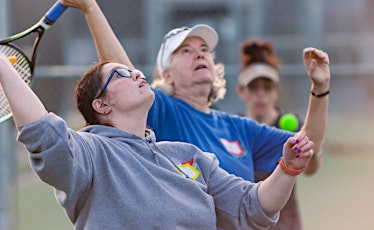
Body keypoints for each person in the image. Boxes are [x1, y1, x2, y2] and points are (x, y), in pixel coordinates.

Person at [0, 55, 315, 229]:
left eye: (134, 70)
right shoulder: (92, 152)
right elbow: (44, 133)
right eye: (121, 75)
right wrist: (2, 65)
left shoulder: (188, 155)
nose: (136, 73)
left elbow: (253, 206)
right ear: (101, 105)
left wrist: (287, 168)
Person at [61, 0, 329, 186]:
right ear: (166, 75)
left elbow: (308, 145)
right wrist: (90, 8)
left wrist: (319, 88)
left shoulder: (239, 128)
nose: (200, 53)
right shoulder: (162, 110)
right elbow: (121, 77)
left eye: (203, 49)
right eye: (185, 51)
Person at [236, 38, 311, 230]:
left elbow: (313, 164)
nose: (260, 94)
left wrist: (320, 90)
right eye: (253, 88)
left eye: (267, 87)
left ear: (276, 90)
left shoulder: (289, 128)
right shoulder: (233, 127)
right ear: (241, 91)